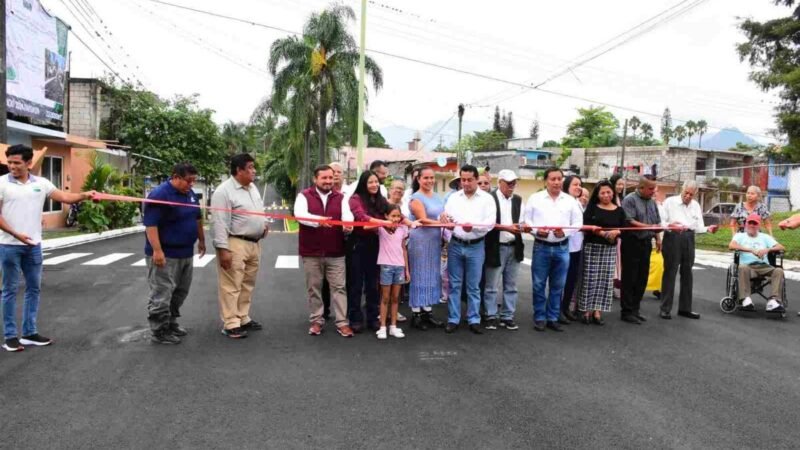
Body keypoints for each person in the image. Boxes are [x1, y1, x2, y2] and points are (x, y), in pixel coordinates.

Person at [0, 144, 95, 352]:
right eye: (9, 162)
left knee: (34, 288)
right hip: (9, 246)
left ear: (29, 163)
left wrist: (86, 195)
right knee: (9, 290)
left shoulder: (41, 183)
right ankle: (9, 337)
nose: (12, 166)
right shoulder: (1, 184)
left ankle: (29, 333)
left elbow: (65, 197)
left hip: (33, 246)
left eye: (16, 162)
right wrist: (16, 234)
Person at [143, 162, 206, 345]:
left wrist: (201, 240)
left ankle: (171, 322)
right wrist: (157, 250)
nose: (191, 184)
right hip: (166, 254)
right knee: (162, 292)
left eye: (194, 180)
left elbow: (197, 218)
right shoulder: (160, 195)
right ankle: (159, 330)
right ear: (176, 177)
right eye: (188, 180)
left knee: (180, 291)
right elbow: (151, 224)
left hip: (185, 252)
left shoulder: (190, 194)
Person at [211, 153, 269, 339]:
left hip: (254, 243)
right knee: (231, 284)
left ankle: (243, 316)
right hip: (234, 242)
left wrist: (264, 224)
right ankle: (231, 322)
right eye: (250, 167)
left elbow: (258, 210)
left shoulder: (252, 188)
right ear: (239, 170)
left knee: (247, 283)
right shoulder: (223, 191)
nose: (254, 171)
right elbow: (219, 222)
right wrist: (223, 250)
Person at [295, 165, 355, 337]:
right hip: (311, 252)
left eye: (331, 178)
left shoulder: (341, 197)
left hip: (336, 252)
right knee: (314, 288)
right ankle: (316, 320)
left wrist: (347, 226)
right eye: (325, 178)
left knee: (339, 288)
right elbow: (300, 215)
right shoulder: (304, 196)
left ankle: (342, 322)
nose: (329, 181)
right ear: (316, 179)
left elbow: (348, 216)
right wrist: (319, 221)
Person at [524, 167, 583, 332]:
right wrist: (536, 231)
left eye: (559, 179)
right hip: (541, 247)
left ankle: (552, 317)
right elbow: (526, 221)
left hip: (562, 248)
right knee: (538, 284)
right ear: (546, 181)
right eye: (553, 179)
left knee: (558, 285)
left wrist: (565, 232)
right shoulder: (535, 199)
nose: (557, 182)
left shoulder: (570, 201)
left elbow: (578, 223)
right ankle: (540, 317)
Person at [444, 165, 496, 334]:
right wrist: (446, 221)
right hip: (456, 245)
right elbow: (447, 218)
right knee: (455, 284)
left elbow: (490, 223)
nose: (466, 183)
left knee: (473, 286)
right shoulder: (453, 198)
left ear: (476, 179)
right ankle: (453, 318)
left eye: (469, 180)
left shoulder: (487, 198)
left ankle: (474, 319)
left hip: (476, 245)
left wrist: (473, 229)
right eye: (463, 180)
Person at [659, 181, 719, 320]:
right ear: (682, 189)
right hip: (673, 236)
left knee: (687, 273)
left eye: (691, 194)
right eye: (686, 193)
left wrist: (708, 229)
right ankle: (665, 308)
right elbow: (660, 222)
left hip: (689, 237)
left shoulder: (695, 205)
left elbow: (698, 226)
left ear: (695, 194)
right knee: (670, 272)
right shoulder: (670, 202)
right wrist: (670, 225)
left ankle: (685, 308)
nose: (688, 196)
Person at [347, 170, 395, 333]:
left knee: (373, 285)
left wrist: (409, 221)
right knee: (356, 285)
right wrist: (384, 222)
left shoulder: (381, 200)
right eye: (370, 182)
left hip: (375, 244)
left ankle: (373, 318)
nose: (374, 185)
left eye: (376, 182)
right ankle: (354, 319)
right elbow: (362, 219)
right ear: (363, 184)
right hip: (357, 245)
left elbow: (395, 214)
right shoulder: (355, 199)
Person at [483, 169, 525, 331]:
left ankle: (507, 316)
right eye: (508, 182)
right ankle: (491, 315)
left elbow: (522, 221)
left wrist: (523, 227)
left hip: (514, 246)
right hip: (496, 246)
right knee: (492, 285)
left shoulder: (518, 200)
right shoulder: (490, 199)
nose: (511, 185)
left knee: (511, 285)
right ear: (499, 182)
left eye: (514, 182)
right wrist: (508, 228)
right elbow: (487, 223)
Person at [579, 181, 626, 325]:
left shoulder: (619, 210)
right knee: (590, 279)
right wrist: (604, 234)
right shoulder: (592, 208)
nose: (606, 195)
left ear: (613, 193)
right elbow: (586, 226)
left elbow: (624, 229)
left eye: (608, 192)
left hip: (609, 249)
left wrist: (617, 232)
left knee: (604, 280)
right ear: (597, 195)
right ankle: (586, 310)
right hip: (592, 247)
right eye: (602, 193)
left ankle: (598, 311)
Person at [407, 167, 448, 330]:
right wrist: (442, 223)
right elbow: (422, 219)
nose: (430, 181)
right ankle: (416, 314)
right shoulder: (415, 198)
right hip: (420, 240)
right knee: (419, 275)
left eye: (432, 178)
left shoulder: (438, 197)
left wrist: (446, 220)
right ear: (419, 179)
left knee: (432, 275)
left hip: (434, 239)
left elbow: (442, 215)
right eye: (426, 178)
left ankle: (427, 312)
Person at [619, 175, 662, 325]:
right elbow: (629, 221)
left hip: (646, 242)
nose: (653, 191)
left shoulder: (652, 202)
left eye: (654, 188)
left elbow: (656, 222)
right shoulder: (629, 199)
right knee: (630, 277)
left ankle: (635, 309)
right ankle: (626, 311)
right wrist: (648, 227)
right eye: (651, 188)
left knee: (642, 278)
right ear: (641, 187)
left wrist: (658, 237)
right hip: (632, 242)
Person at [728, 213, 786, 314]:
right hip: (748, 267)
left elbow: (781, 247)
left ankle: (773, 301)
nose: (752, 225)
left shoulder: (765, 237)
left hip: (764, 266)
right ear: (746, 224)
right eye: (750, 223)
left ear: (758, 225)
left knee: (778, 271)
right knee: (742, 267)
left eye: (755, 223)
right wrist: (750, 250)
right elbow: (731, 245)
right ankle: (746, 299)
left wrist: (767, 250)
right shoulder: (740, 236)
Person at [375, 204, 409, 339]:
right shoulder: (381, 229)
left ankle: (393, 326)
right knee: (385, 298)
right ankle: (382, 326)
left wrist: (407, 269)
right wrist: (384, 223)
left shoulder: (403, 229)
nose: (395, 219)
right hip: (386, 266)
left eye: (398, 216)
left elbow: (404, 249)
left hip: (399, 266)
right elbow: (367, 225)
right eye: (393, 216)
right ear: (386, 216)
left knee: (396, 298)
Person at [560, 174, 584, 323]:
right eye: (575, 184)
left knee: (571, 280)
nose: (578, 187)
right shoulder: (563, 203)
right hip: (564, 247)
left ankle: (565, 307)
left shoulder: (577, 203)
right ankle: (557, 309)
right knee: (561, 281)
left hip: (577, 247)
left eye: (580, 184)